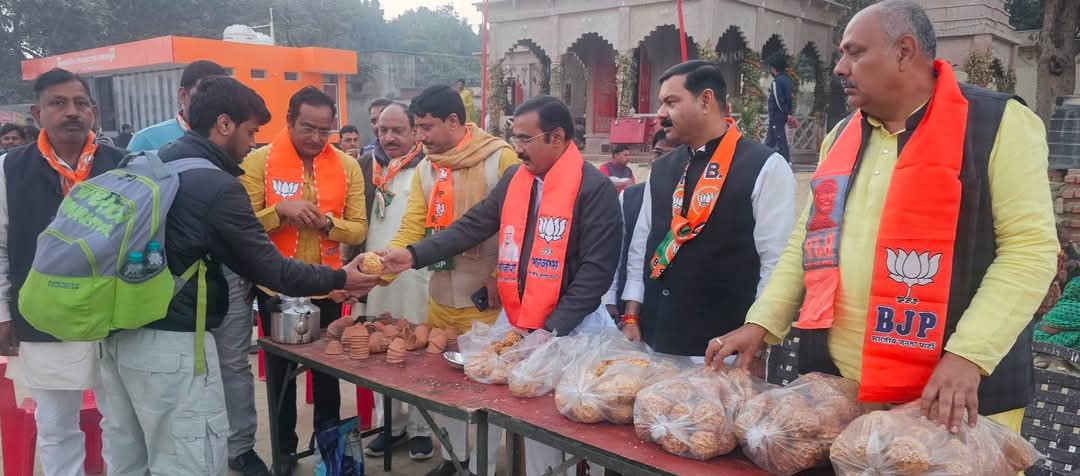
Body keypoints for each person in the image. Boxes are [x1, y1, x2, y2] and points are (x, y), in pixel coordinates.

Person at [708, 0, 1058, 437]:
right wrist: (761, 321)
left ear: (904, 52)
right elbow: (810, 238)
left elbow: (1029, 251)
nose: (839, 67)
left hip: (953, 394)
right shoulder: (841, 136)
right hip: (843, 388)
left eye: (854, 52)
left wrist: (969, 355)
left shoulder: (996, 123)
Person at [96, 76, 377, 476]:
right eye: (249, 132)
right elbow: (270, 268)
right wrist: (339, 280)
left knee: (130, 457)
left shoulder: (151, 161)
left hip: (120, 334)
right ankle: (284, 454)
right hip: (174, 342)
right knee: (185, 458)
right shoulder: (217, 183)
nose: (250, 145)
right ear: (224, 125)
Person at [377, 95, 621, 476]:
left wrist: (549, 331)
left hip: (571, 330)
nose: (517, 148)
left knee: (564, 433)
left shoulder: (595, 189)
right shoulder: (517, 180)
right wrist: (412, 255)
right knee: (527, 426)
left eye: (525, 139)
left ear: (556, 137)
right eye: (515, 138)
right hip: (520, 320)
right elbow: (473, 225)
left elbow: (596, 272)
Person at [381, 84, 518, 476]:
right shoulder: (428, 165)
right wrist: (387, 263)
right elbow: (413, 225)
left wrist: (497, 275)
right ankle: (454, 457)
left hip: (487, 296)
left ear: (454, 121)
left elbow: (514, 225)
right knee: (445, 386)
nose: (420, 137)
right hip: (441, 292)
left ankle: (483, 467)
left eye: (426, 127)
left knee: (487, 391)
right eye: (417, 127)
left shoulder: (499, 158)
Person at [620, 60, 796, 361]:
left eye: (671, 102)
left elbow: (776, 261)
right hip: (652, 338)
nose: (661, 114)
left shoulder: (765, 166)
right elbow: (641, 246)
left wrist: (756, 331)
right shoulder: (662, 168)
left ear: (705, 101)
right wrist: (632, 315)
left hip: (720, 350)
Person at [0, 68, 125, 476]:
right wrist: (3, 312)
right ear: (37, 113)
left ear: (94, 110)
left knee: (120, 423)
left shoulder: (123, 166)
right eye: (58, 103)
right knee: (55, 425)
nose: (71, 112)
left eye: (79, 103)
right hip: (43, 314)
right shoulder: (8, 170)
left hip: (114, 313)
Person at [240, 86, 368, 470]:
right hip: (276, 287)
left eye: (323, 131)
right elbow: (243, 227)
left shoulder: (346, 166)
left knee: (328, 375)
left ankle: (329, 450)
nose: (315, 138)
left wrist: (329, 223)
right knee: (281, 380)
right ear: (289, 122)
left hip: (328, 285)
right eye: (306, 128)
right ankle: (284, 452)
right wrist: (279, 211)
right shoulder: (258, 162)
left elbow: (358, 229)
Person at [357, 102, 435, 460]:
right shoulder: (366, 167)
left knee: (415, 348)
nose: (388, 137)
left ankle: (421, 429)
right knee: (378, 347)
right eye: (382, 130)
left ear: (415, 132)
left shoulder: (431, 169)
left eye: (397, 130)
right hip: (375, 279)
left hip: (418, 277)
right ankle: (392, 425)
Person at [128, 60, 227, 152]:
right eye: (206, 94)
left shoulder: (233, 138)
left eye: (221, 95)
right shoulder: (146, 141)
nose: (215, 102)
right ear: (183, 95)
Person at [764, 54, 794, 161]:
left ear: (773, 68)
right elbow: (790, 98)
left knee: (779, 138)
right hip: (782, 115)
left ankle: (786, 160)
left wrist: (786, 113)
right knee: (770, 139)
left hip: (777, 115)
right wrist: (789, 113)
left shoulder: (776, 82)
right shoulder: (787, 80)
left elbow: (778, 99)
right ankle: (764, 158)